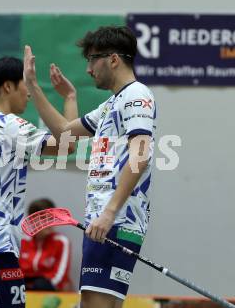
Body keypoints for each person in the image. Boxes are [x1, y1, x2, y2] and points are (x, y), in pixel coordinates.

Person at [24, 25, 156, 308]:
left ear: (113, 59)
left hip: (116, 222)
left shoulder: (136, 95)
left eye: (92, 59)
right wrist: (36, 88)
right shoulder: (112, 104)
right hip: (105, 223)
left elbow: (141, 153)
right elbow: (65, 134)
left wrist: (109, 213)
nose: (88, 69)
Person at [0, 56, 77, 307]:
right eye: (25, 84)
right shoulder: (11, 125)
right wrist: (70, 99)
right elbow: (69, 144)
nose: (29, 93)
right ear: (8, 86)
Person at [19, 198, 72, 291]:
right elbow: (17, 271)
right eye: (43, 218)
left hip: (50, 291)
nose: (49, 222)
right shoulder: (21, 241)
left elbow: (59, 277)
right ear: (32, 220)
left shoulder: (62, 241)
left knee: (42, 285)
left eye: (51, 217)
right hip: (24, 289)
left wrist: (39, 286)